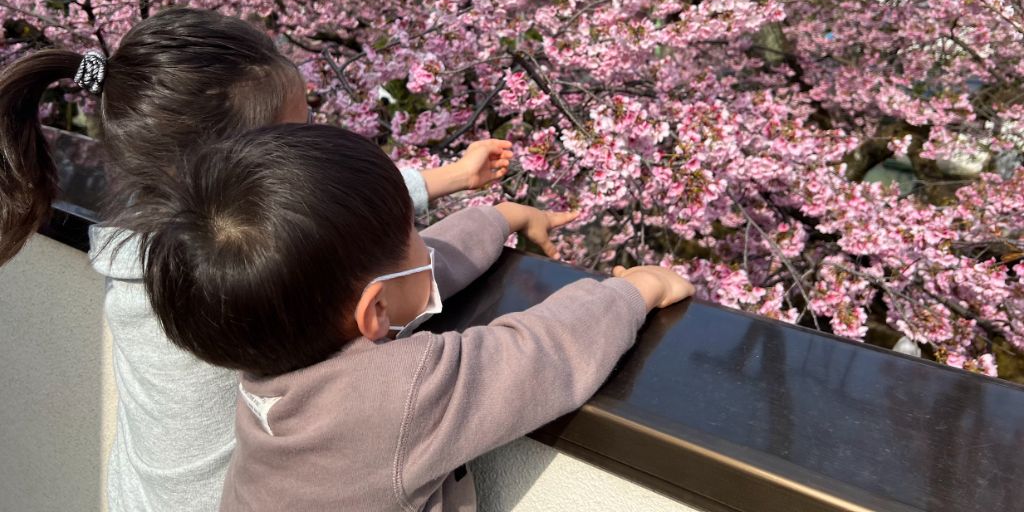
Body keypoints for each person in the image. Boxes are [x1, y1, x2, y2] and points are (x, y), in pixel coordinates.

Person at [0, 6, 513, 512]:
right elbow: (317, 215)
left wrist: (451, 177)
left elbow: (320, 206)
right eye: (299, 127)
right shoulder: (218, 275)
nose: (314, 137)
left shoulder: (142, 245)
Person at [132, 123, 695, 512]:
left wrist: (498, 217)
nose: (422, 245)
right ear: (373, 311)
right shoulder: (399, 396)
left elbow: (412, 276)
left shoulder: (269, 344)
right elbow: (541, 353)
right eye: (412, 238)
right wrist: (633, 291)